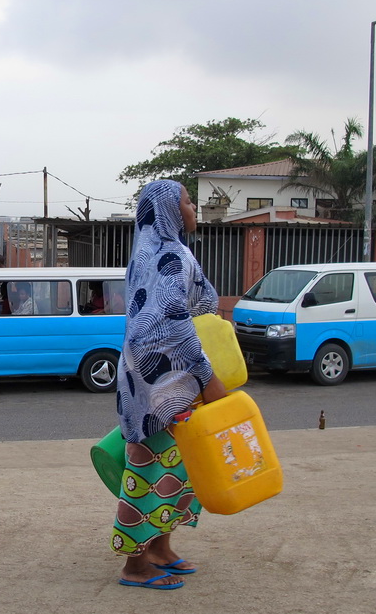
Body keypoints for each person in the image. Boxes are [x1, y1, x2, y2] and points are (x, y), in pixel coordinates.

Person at [110, 180, 226, 591]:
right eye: (189, 202)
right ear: (170, 212)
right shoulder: (166, 254)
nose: (194, 209)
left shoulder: (150, 249)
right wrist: (207, 376)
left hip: (150, 374)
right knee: (147, 471)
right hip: (161, 379)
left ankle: (159, 548)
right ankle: (135, 565)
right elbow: (175, 321)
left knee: (176, 465)